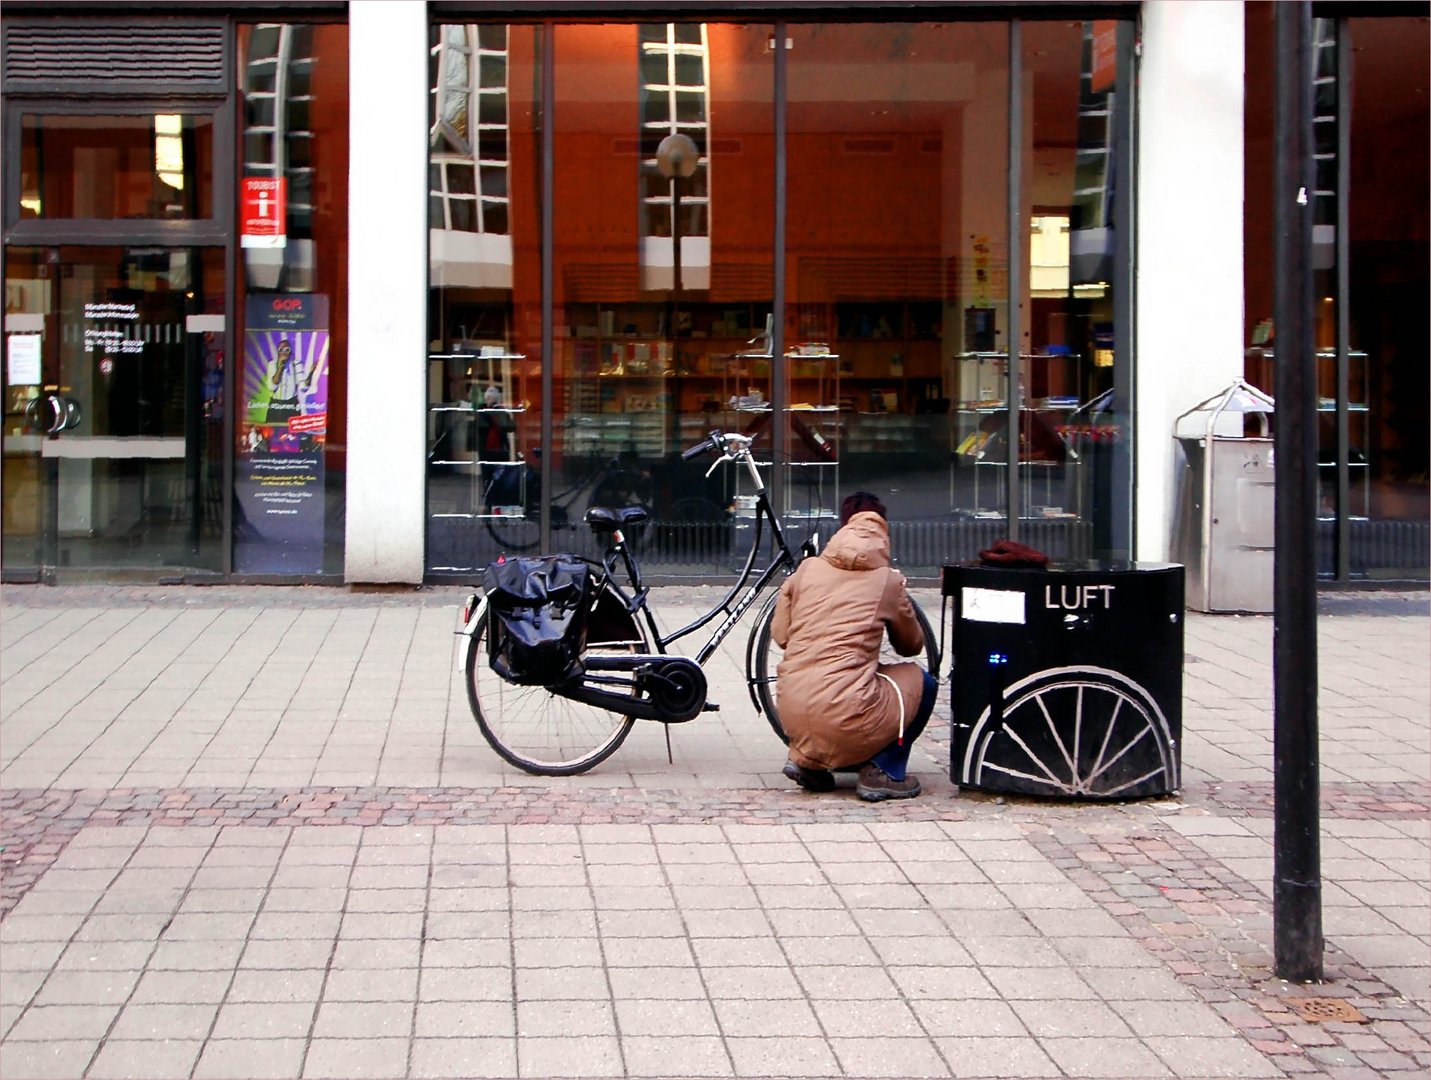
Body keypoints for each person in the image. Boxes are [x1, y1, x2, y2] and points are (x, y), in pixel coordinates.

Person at [771, 492, 938, 801]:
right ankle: (883, 771)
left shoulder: (806, 570)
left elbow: (781, 635)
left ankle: (806, 760)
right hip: (846, 710)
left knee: (832, 687)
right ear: (883, 531)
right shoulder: (887, 580)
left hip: (791, 710)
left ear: (842, 527)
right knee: (924, 683)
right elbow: (911, 646)